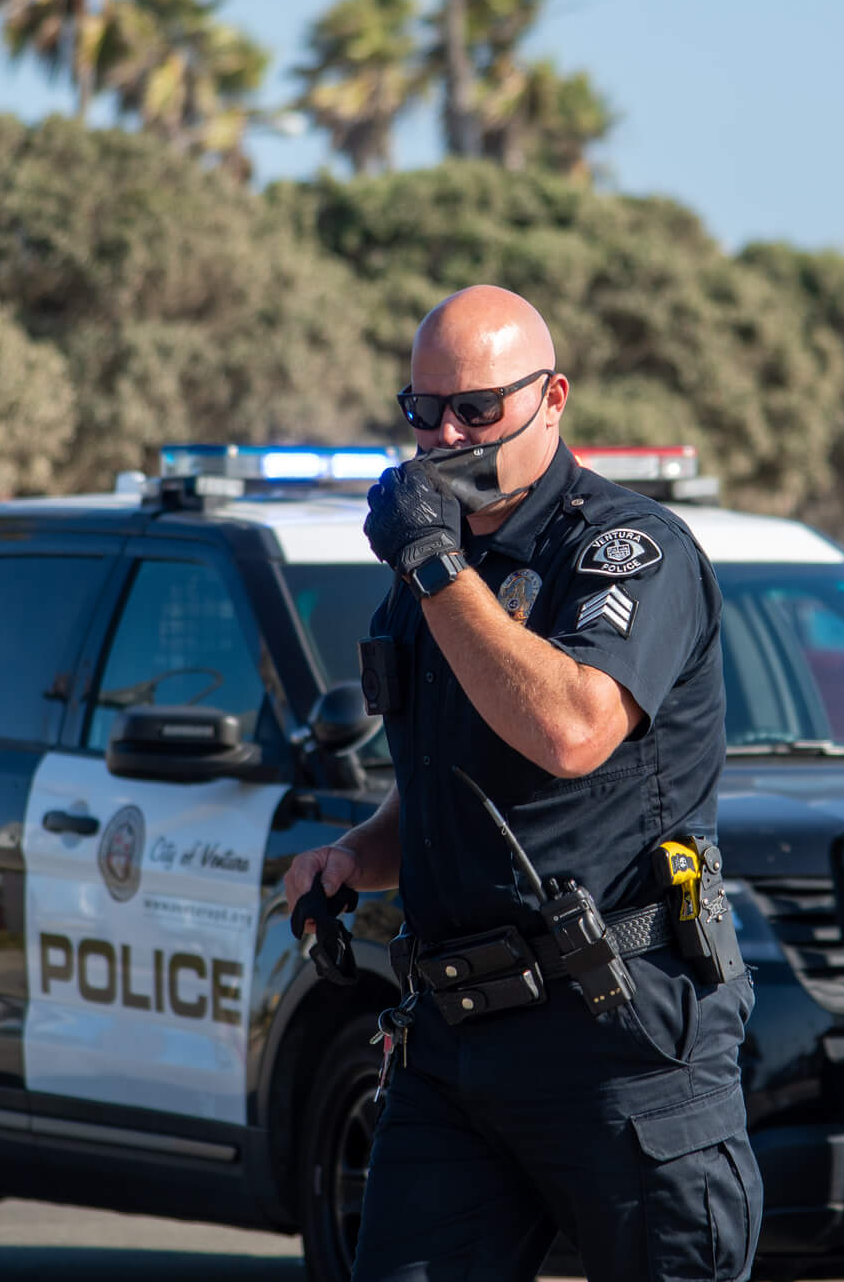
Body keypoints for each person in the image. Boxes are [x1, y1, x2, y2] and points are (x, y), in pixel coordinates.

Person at [281, 285, 761, 1282]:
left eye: (478, 410)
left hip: (620, 1041)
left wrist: (433, 564)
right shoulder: (436, 577)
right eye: (425, 411)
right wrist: (352, 857)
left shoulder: (627, 550)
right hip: (452, 1051)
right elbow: (448, 785)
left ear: (553, 398)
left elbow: (572, 728)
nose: (447, 435)